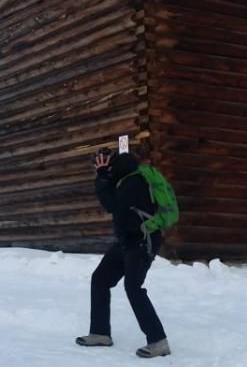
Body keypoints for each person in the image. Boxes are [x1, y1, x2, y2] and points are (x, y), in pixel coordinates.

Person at [75, 150, 170, 358]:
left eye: (104, 167)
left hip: (143, 240)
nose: (102, 170)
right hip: (128, 240)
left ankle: (158, 341)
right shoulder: (127, 180)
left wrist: (102, 177)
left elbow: (113, 205)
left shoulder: (134, 182)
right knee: (100, 279)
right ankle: (100, 333)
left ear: (113, 168)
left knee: (133, 287)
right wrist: (105, 178)